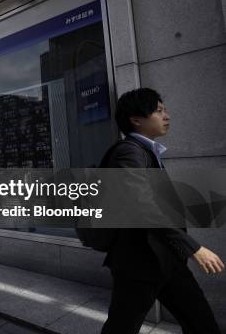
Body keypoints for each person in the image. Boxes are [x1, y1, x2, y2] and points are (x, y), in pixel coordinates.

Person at [101, 88, 223, 334]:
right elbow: (141, 206)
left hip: (166, 259)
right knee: (121, 328)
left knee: (203, 324)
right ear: (136, 119)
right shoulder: (129, 152)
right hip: (140, 263)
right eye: (158, 111)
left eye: (164, 109)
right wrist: (194, 247)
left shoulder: (148, 152)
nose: (166, 116)